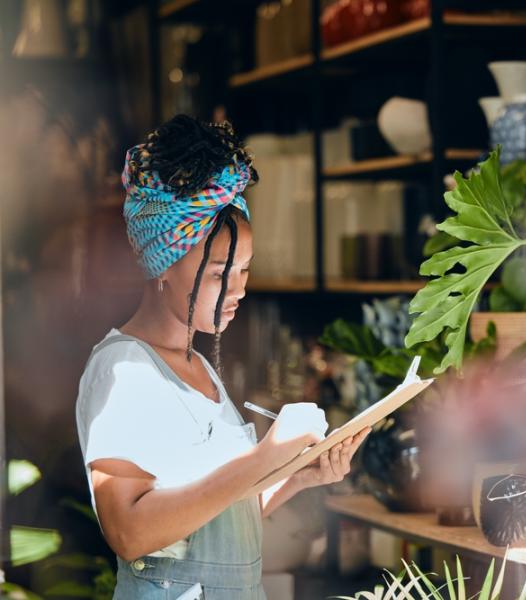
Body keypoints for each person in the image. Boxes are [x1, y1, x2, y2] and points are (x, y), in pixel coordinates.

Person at [75, 114, 369, 598]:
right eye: (219, 274)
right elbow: (130, 532)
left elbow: (211, 528)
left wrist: (296, 475)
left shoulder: (199, 366)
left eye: (244, 272)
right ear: (163, 265)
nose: (238, 291)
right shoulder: (124, 370)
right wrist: (265, 457)